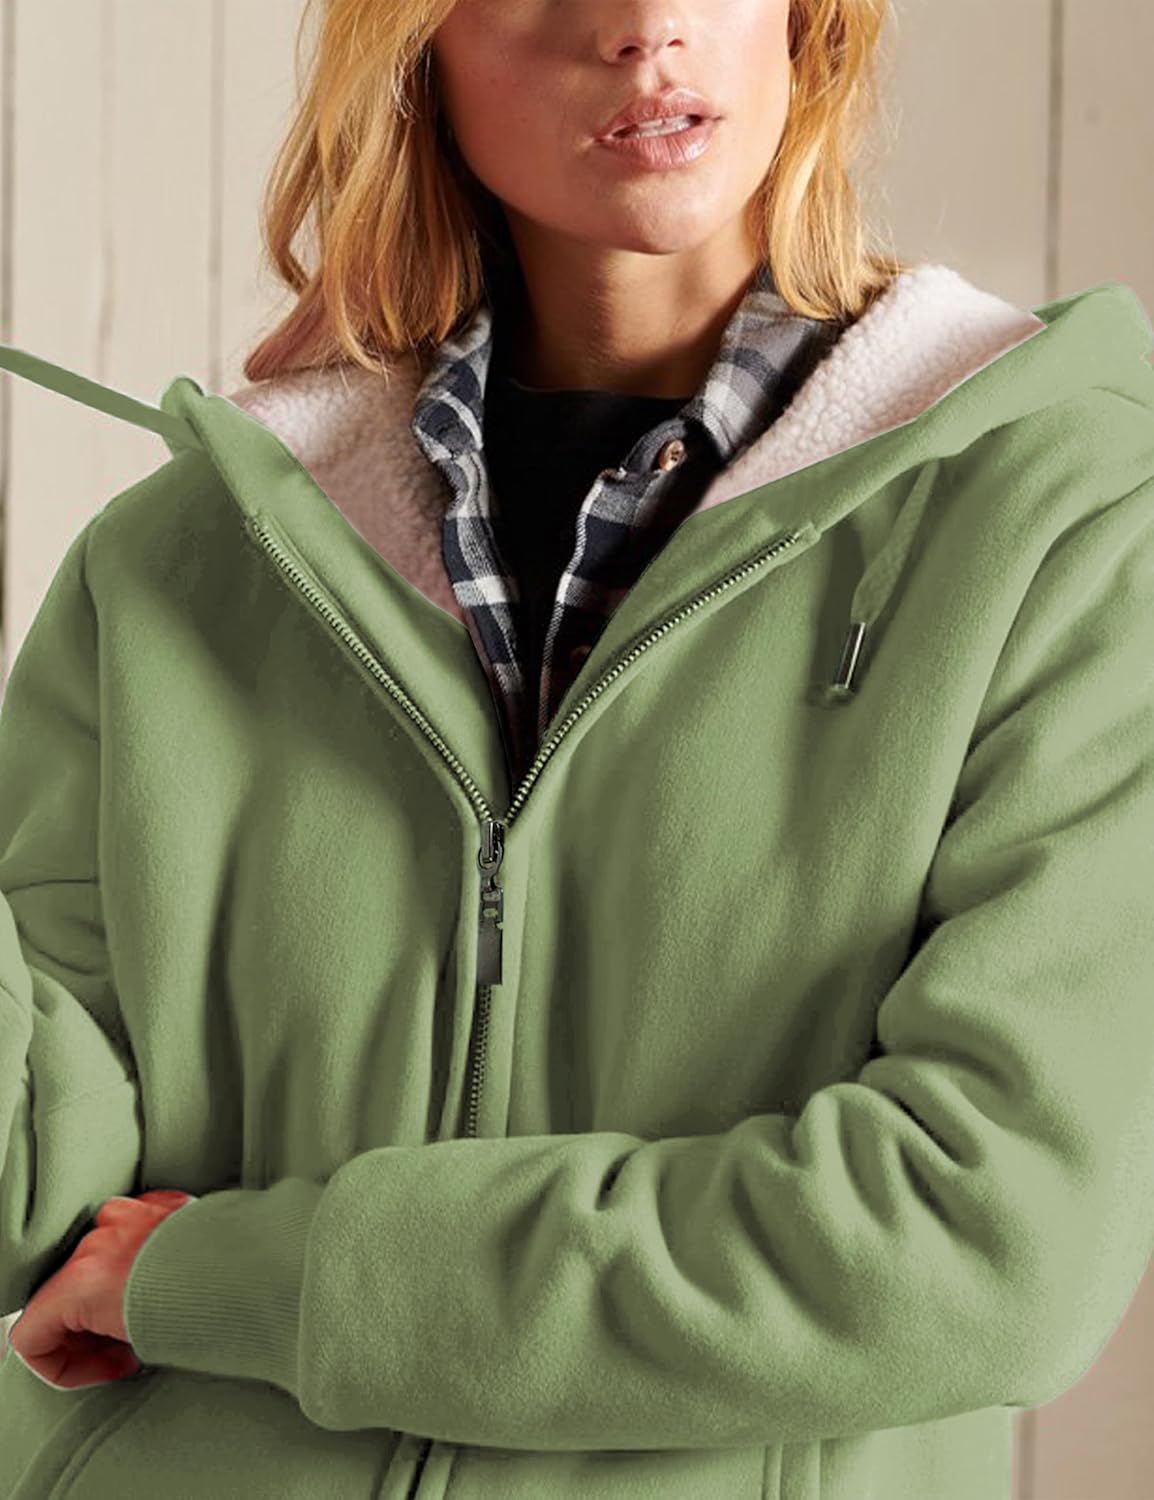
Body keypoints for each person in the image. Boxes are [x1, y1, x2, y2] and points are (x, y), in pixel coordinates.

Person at [1, 1, 1153, 1497]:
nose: (643, 25)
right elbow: (38, 1185)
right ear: (416, 40)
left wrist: (271, 1280)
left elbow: (985, 1244)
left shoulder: (1062, 521)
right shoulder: (185, 561)